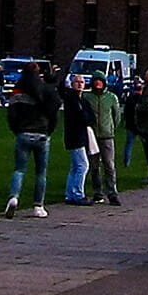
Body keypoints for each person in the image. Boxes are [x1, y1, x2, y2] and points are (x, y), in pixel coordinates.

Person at [3, 62, 59, 219]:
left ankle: (14, 197)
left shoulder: (18, 91)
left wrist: (17, 129)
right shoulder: (45, 90)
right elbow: (54, 112)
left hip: (23, 133)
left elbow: (11, 114)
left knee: (19, 169)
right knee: (41, 172)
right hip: (42, 133)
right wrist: (49, 130)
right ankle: (38, 205)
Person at [86, 75, 124, 206]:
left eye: (100, 81)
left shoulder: (111, 97)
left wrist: (111, 127)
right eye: (95, 81)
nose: (98, 84)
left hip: (107, 135)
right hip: (93, 136)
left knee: (109, 165)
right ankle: (97, 192)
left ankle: (112, 192)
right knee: (94, 166)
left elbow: (116, 115)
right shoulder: (87, 97)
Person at [60, 74, 96, 206]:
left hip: (81, 135)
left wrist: (86, 118)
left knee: (75, 166)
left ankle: (70, 194)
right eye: (77, 82)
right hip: (75, 136)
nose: (80, 84)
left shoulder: (83, 101)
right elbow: (81, 117)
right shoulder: (72, 99)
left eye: (82, 82)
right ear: (72, 84)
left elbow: (90, 118)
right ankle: (77, 194)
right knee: (83, 165)